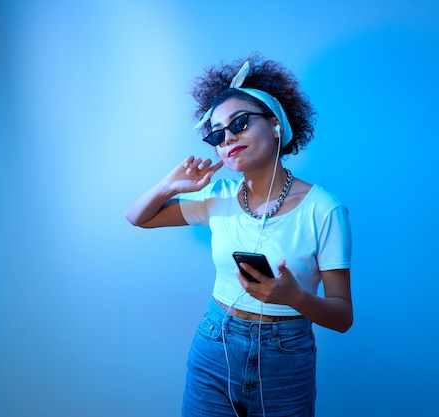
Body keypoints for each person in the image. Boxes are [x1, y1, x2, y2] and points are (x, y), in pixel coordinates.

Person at [125, 53, 353, 417]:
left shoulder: (324, 209)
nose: (228, 138)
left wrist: (294, 296)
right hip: (215, 345)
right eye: (217, 134)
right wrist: (171, 185)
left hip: (286, 356)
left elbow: (342, 317)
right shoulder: (217, 197)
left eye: (240, 123)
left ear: (276, 124)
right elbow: (138, 217)